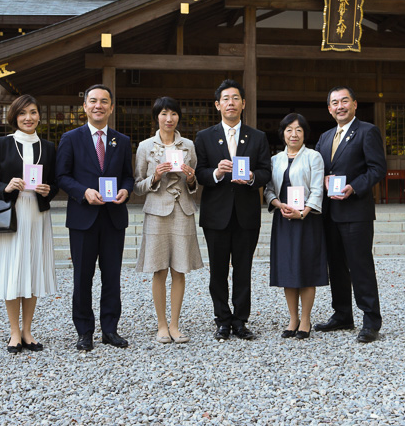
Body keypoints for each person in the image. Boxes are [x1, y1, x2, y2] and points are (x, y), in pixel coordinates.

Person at [56, 84, 134, 351]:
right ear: (85, 107)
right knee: (83, 277)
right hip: (83, 217)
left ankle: (110, 329)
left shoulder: (121, 141)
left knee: (111, 276)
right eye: (93, 101)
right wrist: (83, 192)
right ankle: (84, 331)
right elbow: (62, 176)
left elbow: (128, 175)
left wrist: (125, 189)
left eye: (104, 101)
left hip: (113, 217)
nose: (98, 105)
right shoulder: (71, 138)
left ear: (111, 107)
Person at [195, 79, 271, 341]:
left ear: (243, 104)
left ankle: (241, 320)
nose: (231, 102)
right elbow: (199, 172)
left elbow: (265, 172)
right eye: (225, 98)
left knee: (243, 269)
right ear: (218, 105)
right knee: (218, 270)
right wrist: (216, 173)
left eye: (235, 98)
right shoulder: (204, 137)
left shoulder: (257, 136)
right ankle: (222, 319)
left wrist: (251, 177)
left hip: (246, 213)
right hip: (216, 214)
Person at [0, 94, 59, 354]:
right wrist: (7, 186)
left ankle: (28, 330)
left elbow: (56, 183)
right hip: (12, 214)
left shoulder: (48, 147)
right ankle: (14, 331)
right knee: (13, 270)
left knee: (32, 269)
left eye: (33, 112)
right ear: (14, 117)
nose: (29, 117)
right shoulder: (3, 144)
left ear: (39, 116)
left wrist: (49, 189)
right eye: (23, 113)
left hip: (37, 215)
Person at [314, 85, 387, 343]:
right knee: (336, 267)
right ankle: (342, 314)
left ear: (355, 104)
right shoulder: (324, 137)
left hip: (356, 211)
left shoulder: (367, 131)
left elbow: (377, 169)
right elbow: (318, 168)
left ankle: (371, 320)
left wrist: (354, 187)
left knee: (360, 266)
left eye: (345, 101)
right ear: (329, 109)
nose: (340, 106)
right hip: (330, 213)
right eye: (334, 103)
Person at [133, 97, 203, 344]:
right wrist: (155, 176)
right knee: (159, 269)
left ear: (178, 117)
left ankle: (175, 324)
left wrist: (192, 178)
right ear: (157, 117)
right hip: (156, 212)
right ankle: (161, 325)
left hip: (182, 210)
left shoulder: (189, 146)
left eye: (173, 114)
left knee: (180, 269)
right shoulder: (145, 146)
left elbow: (194, 184)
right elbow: (138, 186)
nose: (169, 119)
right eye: (164, 114)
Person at [264, 113, 327, 340]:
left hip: (307, 220)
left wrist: (304, 212)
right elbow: (269, 189)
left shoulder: (313, 157)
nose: (294, 134)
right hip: (283, 219)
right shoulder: (275, 160)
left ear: (305, 134)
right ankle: (293, 318)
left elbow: (318, 189)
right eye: (289, 130)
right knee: (287, 269)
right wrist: (277, 203)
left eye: (299, 130)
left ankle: (306, 320)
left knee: (306, 269)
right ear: (282, 133)